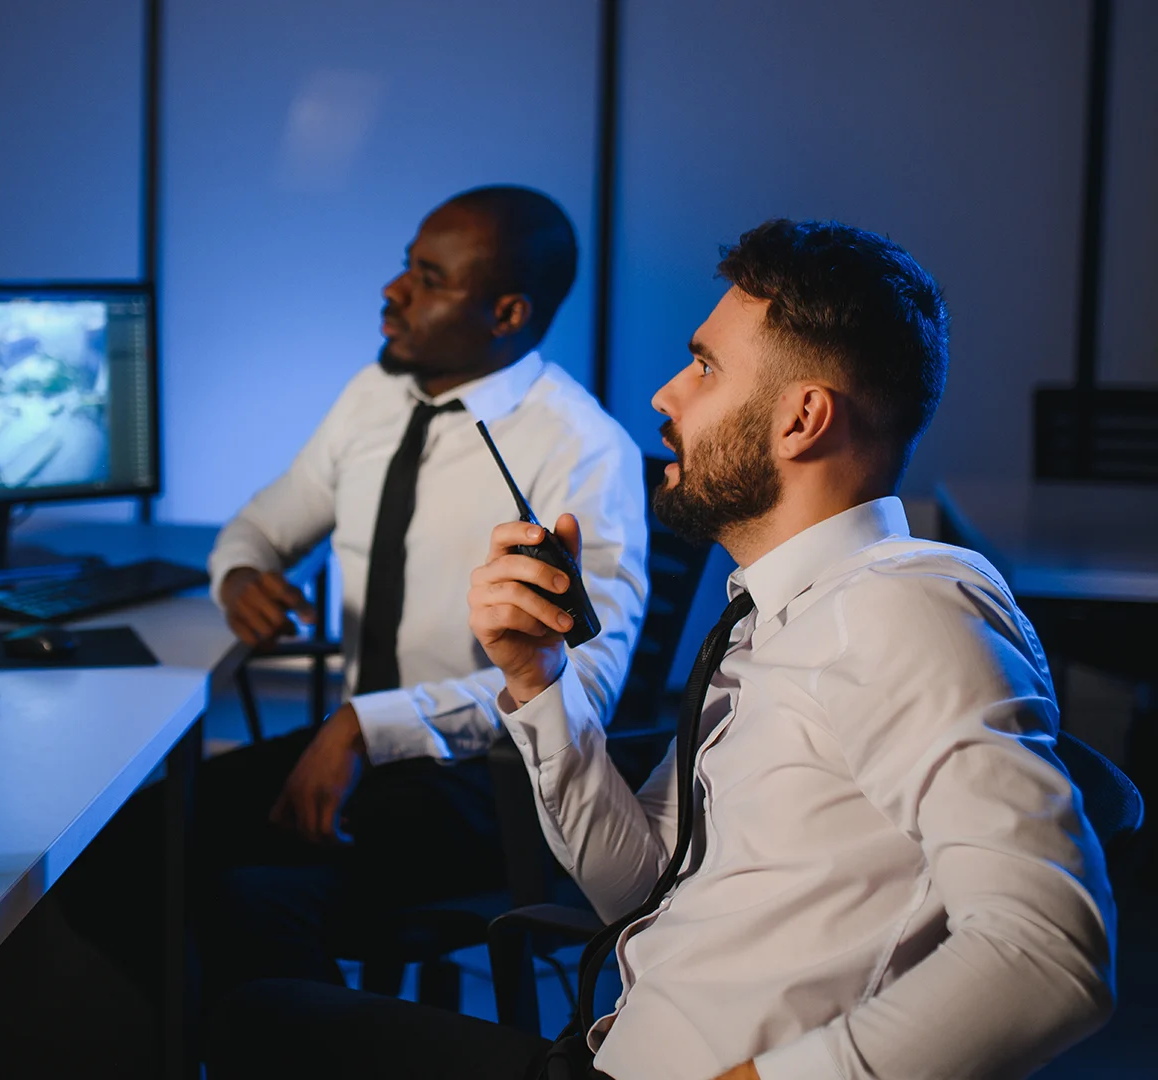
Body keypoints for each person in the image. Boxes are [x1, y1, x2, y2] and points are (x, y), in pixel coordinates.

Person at [210, 219, 1116, 1080]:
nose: (665, 395)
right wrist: (536, 682)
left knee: (253, 1006)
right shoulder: (772, 619)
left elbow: (1048, 953)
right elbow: (636, 889)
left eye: (704, 367)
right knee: (258, 1003)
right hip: (606, 1050)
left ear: (802, 419)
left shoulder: (906, 607)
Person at [66, 185, 648, 1021]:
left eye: (427, 277)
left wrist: (369, 726)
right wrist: (238, 575)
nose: (393, 292)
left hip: (488, 782)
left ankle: (303, 1047)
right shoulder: (374, 397)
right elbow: (259, 527)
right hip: (357, 747)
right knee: (117, 844)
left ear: (507, 312)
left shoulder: (582, 449)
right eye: (405, 265)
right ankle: (209, 1050)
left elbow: (581, 684)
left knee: (249, 899)